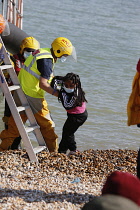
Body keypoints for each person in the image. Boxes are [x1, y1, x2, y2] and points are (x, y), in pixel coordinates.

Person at [0, 37, 77, 152]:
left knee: (14, 126)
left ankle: (2, 149)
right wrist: (60, 95)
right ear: (58, 51)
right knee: (48, 125)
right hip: (32, 94)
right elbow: (42, 84)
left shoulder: (43, 52)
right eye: (64, 55)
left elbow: (38, 74)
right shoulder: (47, 61)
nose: (64, 58)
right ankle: (53, 152)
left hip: (20, 91)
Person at [2, 36, 40, 150]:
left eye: (33, 51)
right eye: (28, 50)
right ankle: (8, 145)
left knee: (21, 122)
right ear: (22, 49)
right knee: (9, 121)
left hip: (26, 96)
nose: (30, 53)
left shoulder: (35, 62)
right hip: (12, 95)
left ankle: (16, 145)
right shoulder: (13, 60)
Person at [51, 72, 88, 155]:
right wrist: (60, 84)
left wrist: (61, 93)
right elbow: (55, 80)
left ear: (76, 84)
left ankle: (62, 152)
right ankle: (72, 150)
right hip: (73, 114)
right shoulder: (65, 83)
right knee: (69, 132)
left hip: (78, 116)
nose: (68, 87)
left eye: (71, 86)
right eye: (66, 85)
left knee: (67, 133)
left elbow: (68, 105)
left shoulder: (76, 94)